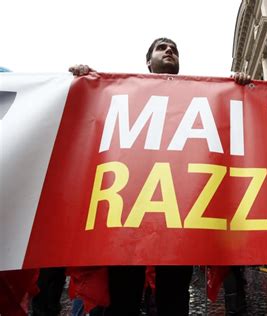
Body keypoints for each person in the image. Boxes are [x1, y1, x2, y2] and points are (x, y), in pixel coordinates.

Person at [69, 37, 252, 315]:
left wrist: (240, 89)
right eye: (162, 47)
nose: (169, 51)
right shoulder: (123, 94)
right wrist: (85, 82)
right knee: (124, 297)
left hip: (178, 215)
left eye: (174, 49)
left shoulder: (198, 97)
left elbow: (226, 128)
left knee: (174, 297)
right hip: (129, 213)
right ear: (148, 61)